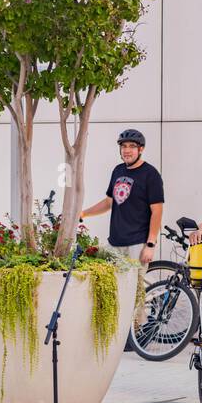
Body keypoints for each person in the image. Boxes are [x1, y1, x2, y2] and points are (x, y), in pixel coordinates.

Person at [79, 128, 164, 324]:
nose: (127, 150)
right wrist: (83, 214)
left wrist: (150, 243)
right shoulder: (118, 170)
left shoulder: (150, 174)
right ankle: (118, 330)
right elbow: (109, 202)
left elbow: (157, 211)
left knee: (135, 291)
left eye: (132, 147)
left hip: (138, 242)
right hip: (115, 240)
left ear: (140, 149)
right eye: (124, 146)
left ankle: (137, 333)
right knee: (111, 286)